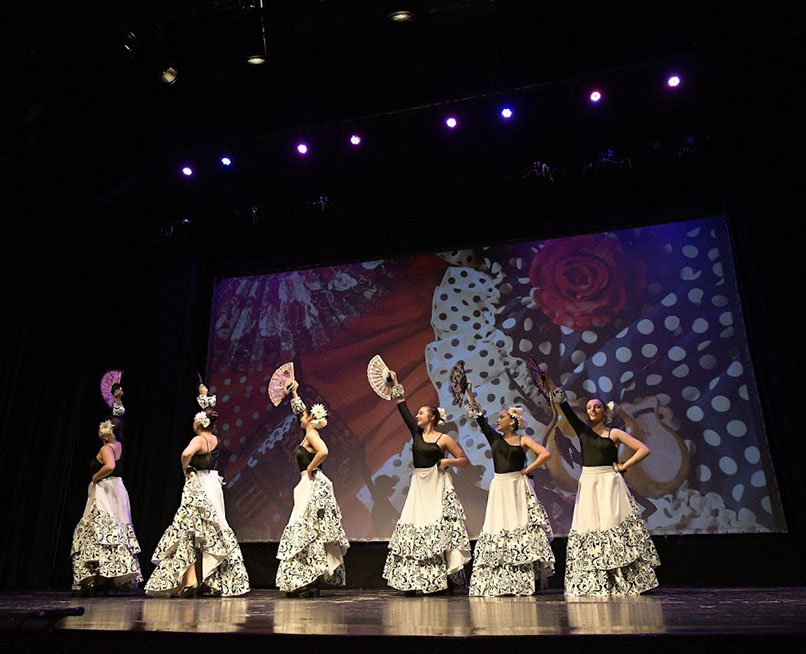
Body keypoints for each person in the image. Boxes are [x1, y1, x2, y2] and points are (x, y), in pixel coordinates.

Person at [544, 374, 659, 596]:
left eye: (596, 407)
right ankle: (596, 579)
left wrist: (624, 465)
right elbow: (565, 407)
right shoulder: (583, 431)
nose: (592, 410)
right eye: (589, 407)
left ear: (604, 411)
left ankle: (621, 578)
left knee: (612, 523)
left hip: (609, 481)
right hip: (589, 481)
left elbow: (643, 449)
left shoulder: (613, 433)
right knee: (590, 526)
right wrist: (550, 384)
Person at [144, 385, 249, 597]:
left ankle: (192, 580)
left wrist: (185, 468)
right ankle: (200, 578)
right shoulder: (214, 439)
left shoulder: (199, 439)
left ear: (200, 423)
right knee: (209, 530)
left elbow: (185, 454)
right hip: (213, 484)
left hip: (199, 484)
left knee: (192, 530)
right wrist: (204, 397)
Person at [382, 370, 471, 595]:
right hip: (419, 485)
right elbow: (402, 407)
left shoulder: (444, 438)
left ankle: (440, 579)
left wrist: (447, 461)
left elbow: (464, 460)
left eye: (421, 413)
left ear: (432, 417)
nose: (417, 416)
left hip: (437, 484)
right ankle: (412, 580)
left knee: (437, 525)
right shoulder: (417, 434)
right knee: (414, 523)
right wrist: (395, 383)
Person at [464, 380, 556, 596]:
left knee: (518, 523)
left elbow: (545, 453)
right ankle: (497, 579)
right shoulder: (494, 439)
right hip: (500, 486)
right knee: (498, 524)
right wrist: (470, 392)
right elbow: (479, 417)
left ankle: (522, 576)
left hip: (517, 485)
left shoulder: (523, 440)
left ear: (512, 422)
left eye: (502, 417)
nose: (498, 419)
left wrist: (527, 469)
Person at [275, 381, 349, 597]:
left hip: (313, 483)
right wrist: (294, 393)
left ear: (310, 419)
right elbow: (300, 411)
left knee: (308, 528)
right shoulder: (308, 432)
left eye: (304, 416)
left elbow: (323, 451)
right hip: (308, 483)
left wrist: (310, 467)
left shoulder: (311, 435)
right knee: (307, 529)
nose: (300, 418)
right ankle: (307, 580)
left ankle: (307, 580)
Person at [71, 398, 142, 596]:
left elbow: (110, 466)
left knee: (98, 530)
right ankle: (104, 578)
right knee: (114, 530)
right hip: (117, 489)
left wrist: (95, 477)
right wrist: (117, 402)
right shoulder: (119, 444)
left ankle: (95, 579)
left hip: (105, 490)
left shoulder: (106, 448)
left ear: (106, 431)